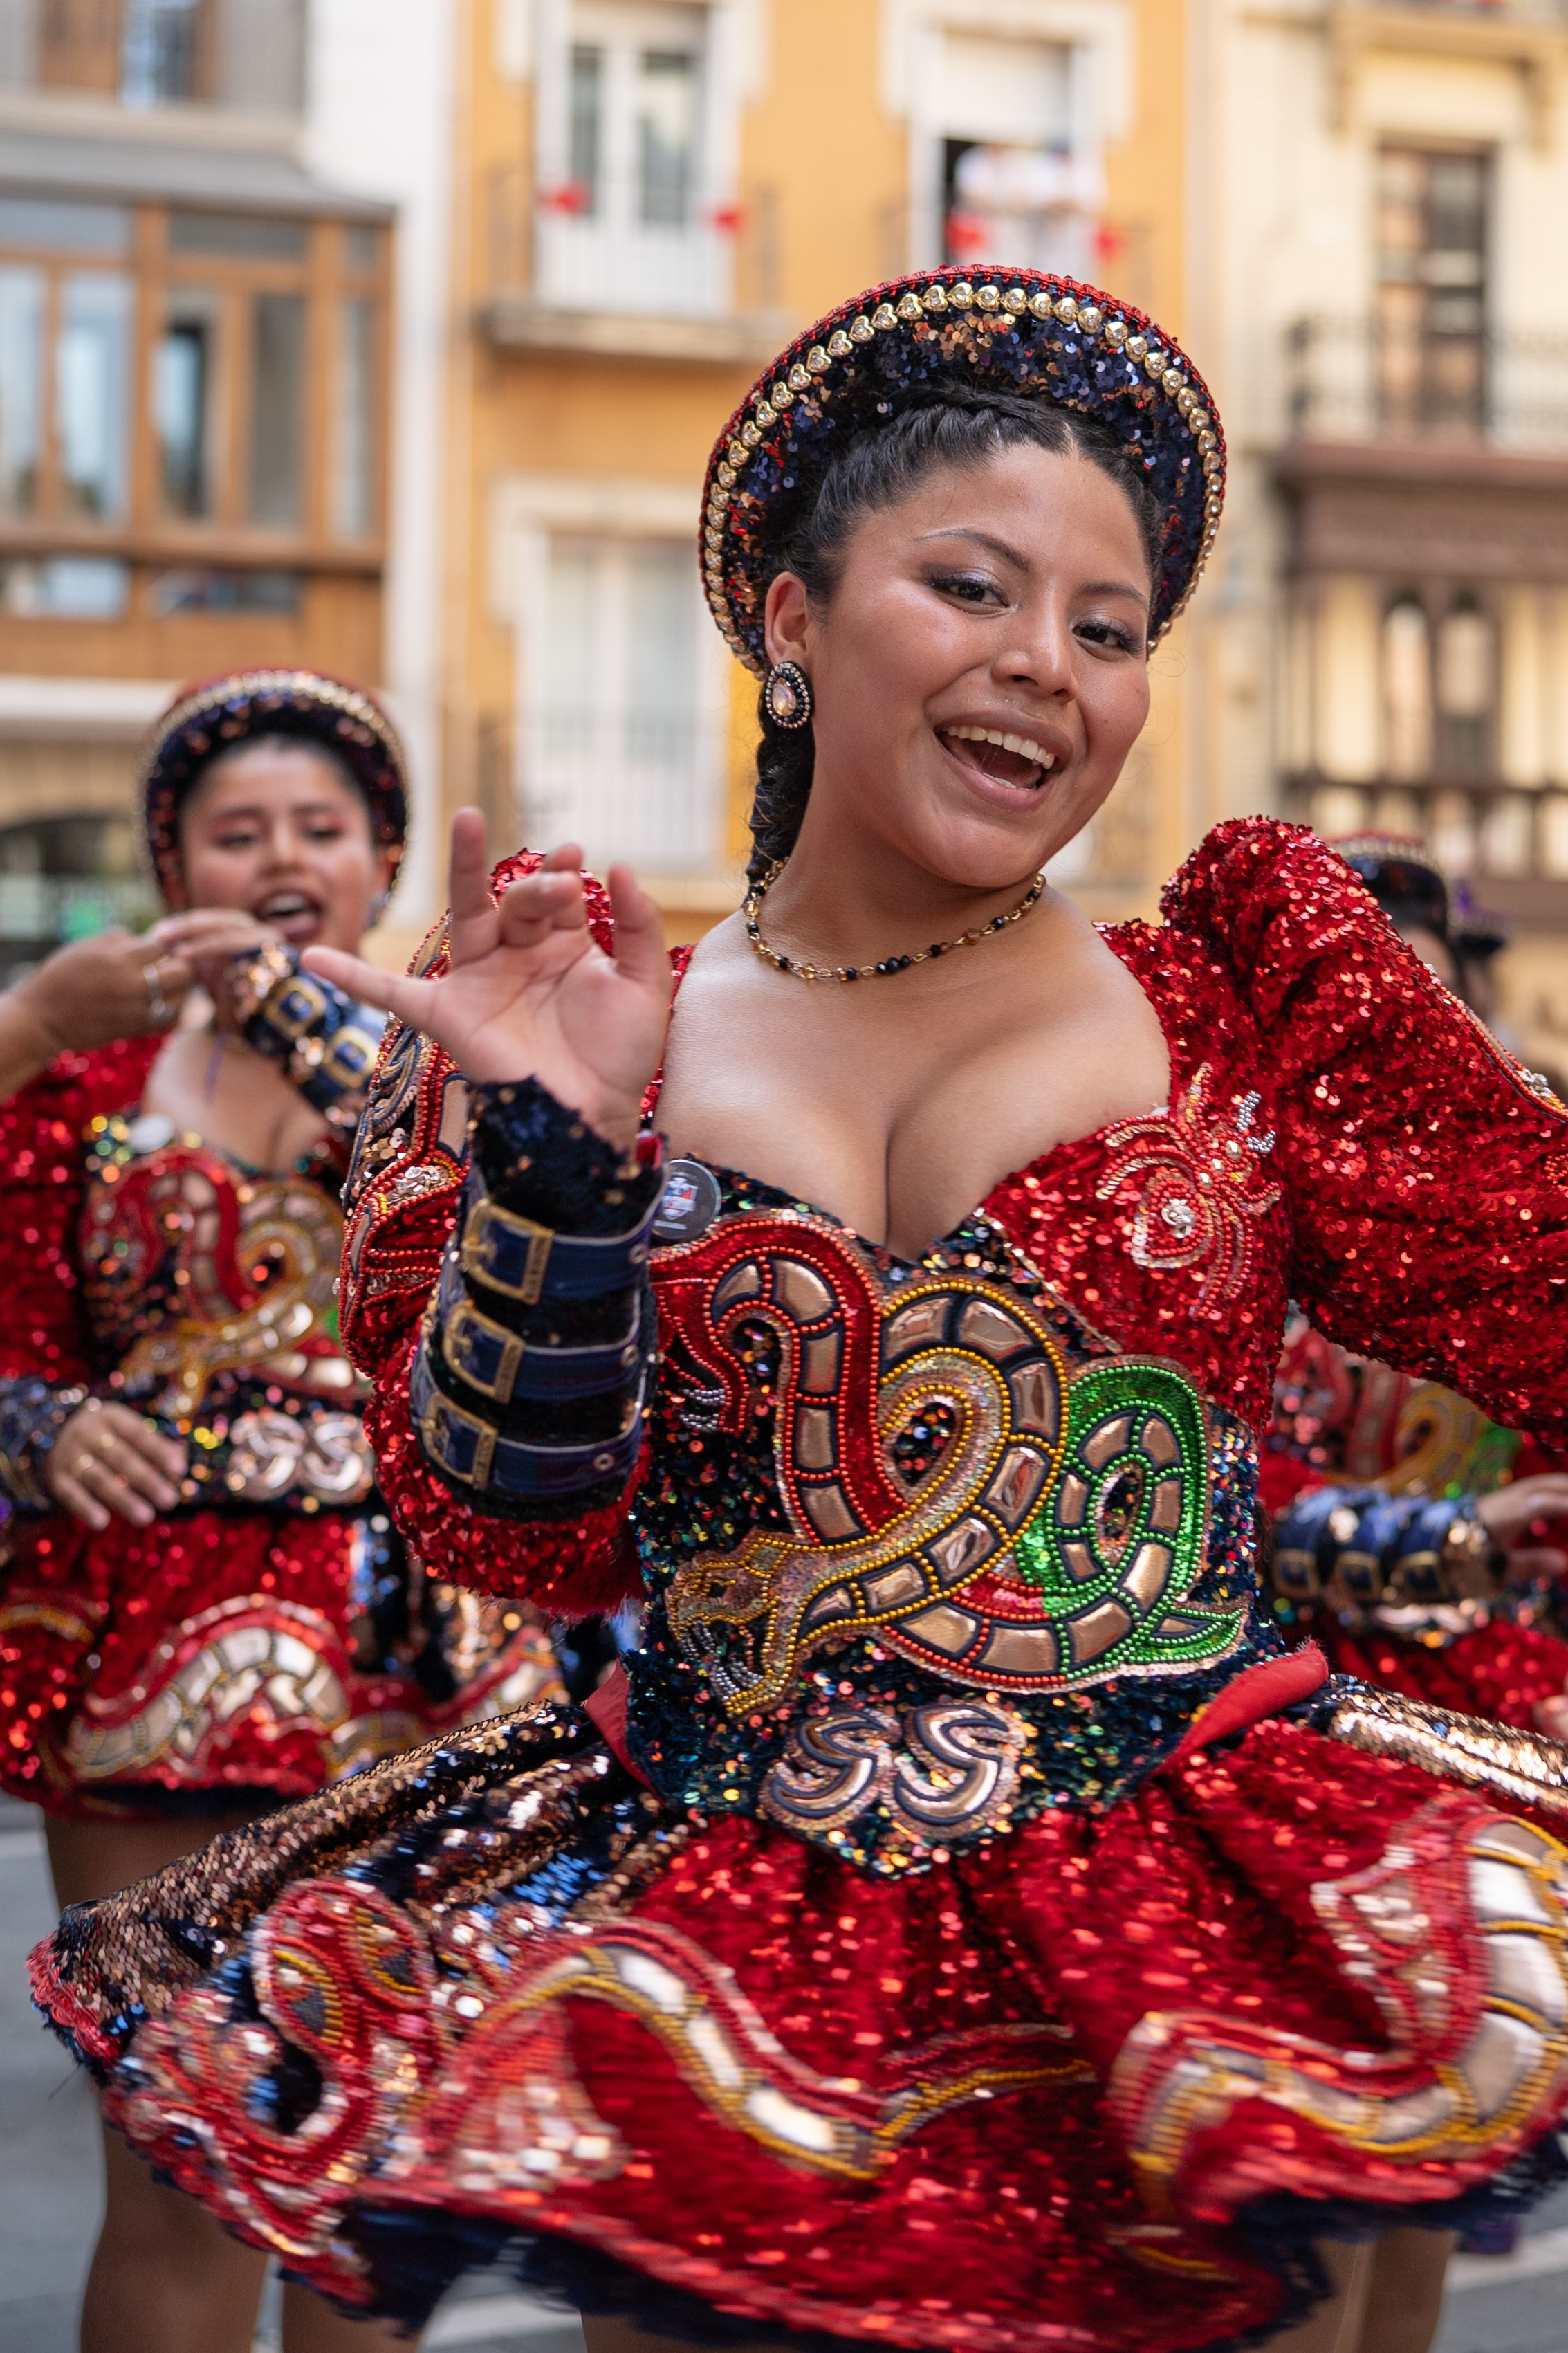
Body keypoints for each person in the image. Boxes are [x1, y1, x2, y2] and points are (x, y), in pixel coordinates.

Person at [32, 279, 1568, 2353]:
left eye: (1109, 631)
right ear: (786, 621)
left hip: (1182, 1954)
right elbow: (513, 1529)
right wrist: (555, 1187)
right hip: (727, 1958)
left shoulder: (1240, 991)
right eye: (971, 585)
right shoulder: (601, 1030)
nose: (1048, 665)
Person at [2, 669, 561, 2353]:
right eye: (236, 831)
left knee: (374, 2170)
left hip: (425, 1653)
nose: (281, 858)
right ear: (175, 868)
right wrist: (40, 1429)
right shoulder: (82, 1081)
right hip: (159, 1641)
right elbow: (13, 1338)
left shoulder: (447, 1061)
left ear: (380, 857)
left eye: (321, 827)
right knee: (177, 2164)